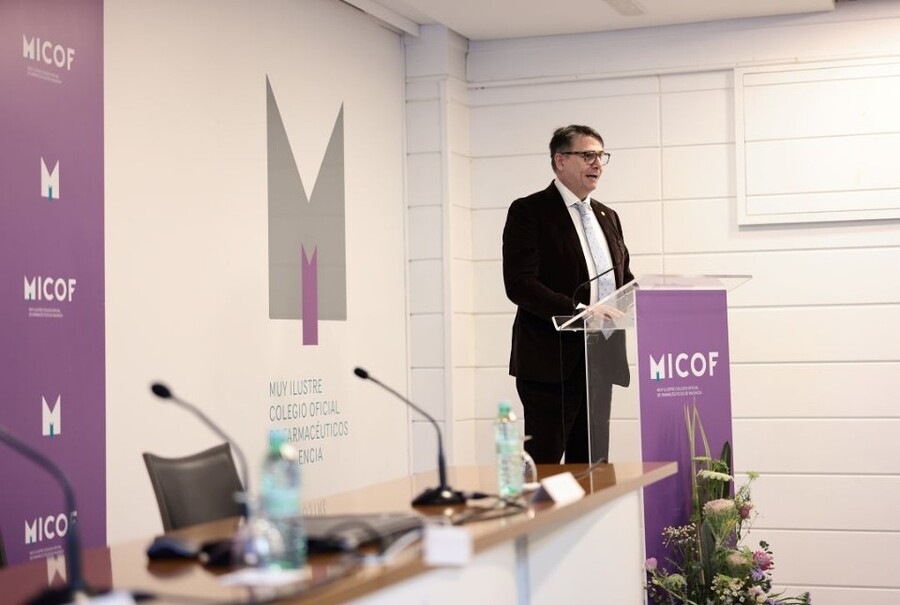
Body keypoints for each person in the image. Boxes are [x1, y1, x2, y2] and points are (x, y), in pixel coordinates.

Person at [502, 125, 633, 464]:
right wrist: (580, 311)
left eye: (601, 156)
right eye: (588, 155)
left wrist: (645, 301)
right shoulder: (530, 211)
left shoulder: (607, 216)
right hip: (552, 362)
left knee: (592, 467)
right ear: (560, 161)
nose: (598, 164)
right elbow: (519, 284)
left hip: (600, 359)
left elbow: (623, 278)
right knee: (545, 466)